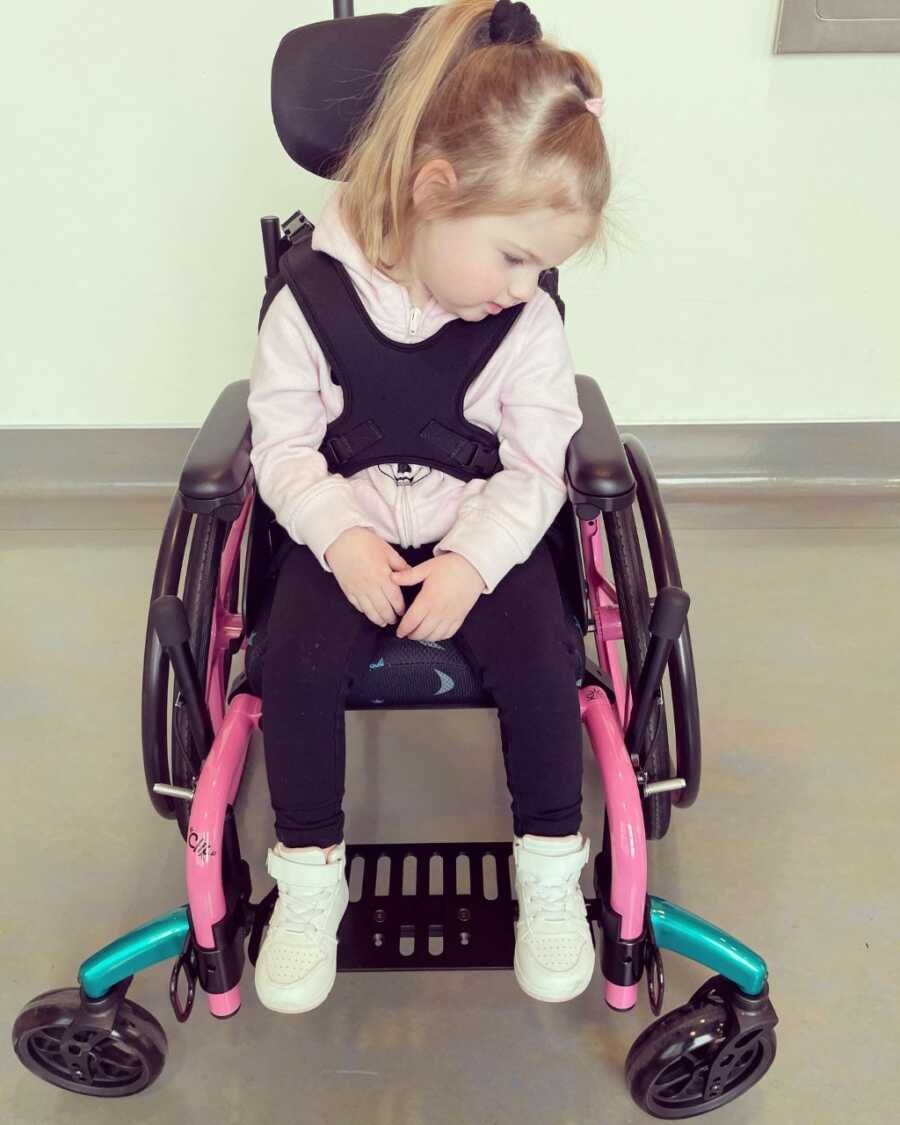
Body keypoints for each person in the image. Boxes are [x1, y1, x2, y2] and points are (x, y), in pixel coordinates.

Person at [247, 0, 611, 1014]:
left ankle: (547, 869)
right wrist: (341, 537)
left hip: (481, 538)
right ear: (434, 191)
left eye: (544, 267)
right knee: (294, 660)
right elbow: (278, 444)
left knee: (544, 656)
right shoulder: (310, 299)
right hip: (349, 531)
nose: (526, 287)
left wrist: (471, 563)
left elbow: (540, 468)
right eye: (513, 256)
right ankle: (311, 878)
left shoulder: (525, 325)